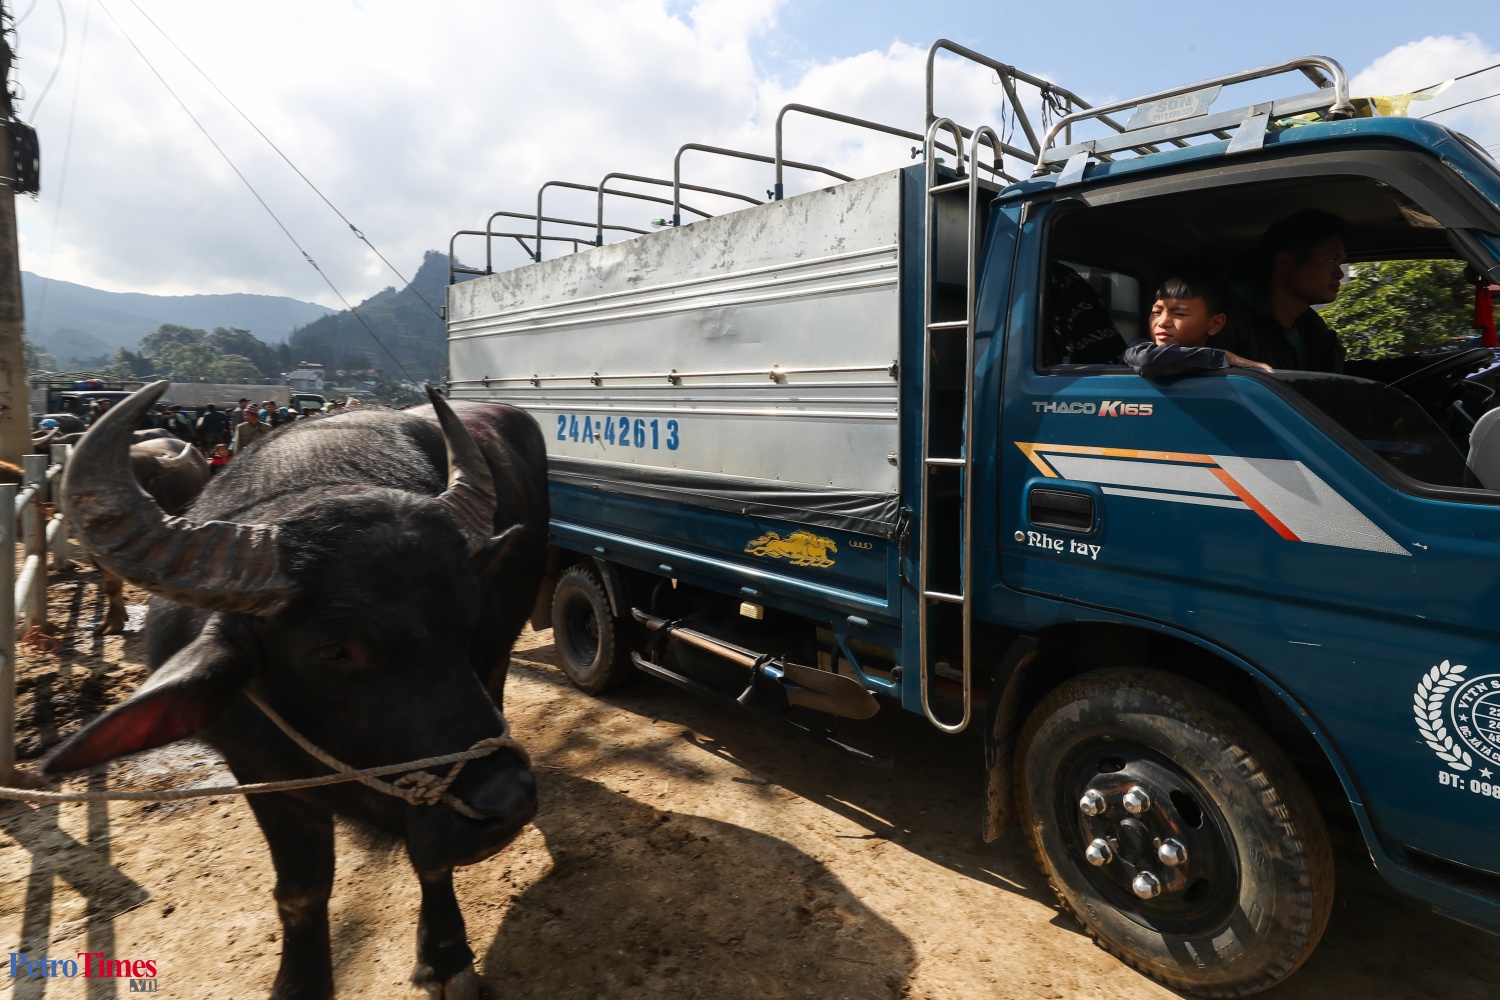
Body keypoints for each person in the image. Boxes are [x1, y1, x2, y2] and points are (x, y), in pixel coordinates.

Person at [1215, 209, 1348, 373]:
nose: (1340, 273)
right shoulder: (1230, 323)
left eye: (1340, 262)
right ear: (1286, 263)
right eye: (1331, 260)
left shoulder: (1314, 330)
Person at [1123, 276, 1271, 378]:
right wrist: (1224, 357)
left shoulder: (1223, 371)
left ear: (1215, 324)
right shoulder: (1138, 349)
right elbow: (1148, 360)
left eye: (1179, 314)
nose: (1162, 322)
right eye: (1156, 312)